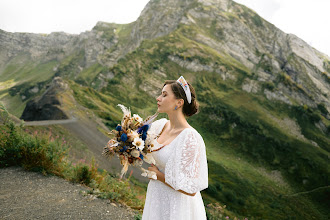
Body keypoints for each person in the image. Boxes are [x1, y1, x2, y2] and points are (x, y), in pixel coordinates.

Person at [142, 76, 208, 220]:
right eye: (161, 94)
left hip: (178, 205)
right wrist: (120, 144)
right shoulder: (160, 125)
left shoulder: (190, 137)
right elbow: (139, 144)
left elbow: (191, 189)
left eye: (164, 95)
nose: (158, 98)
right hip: (157, 196)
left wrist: (158, 176)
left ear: (179, 103)